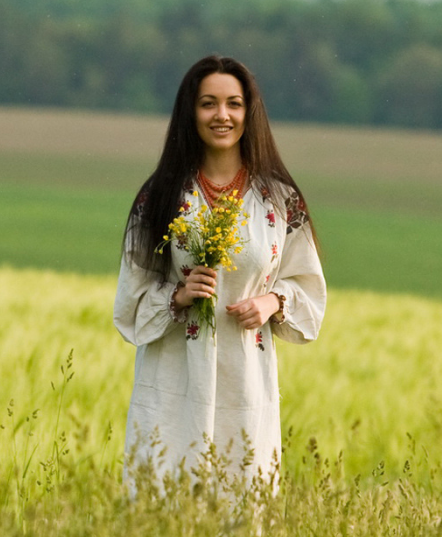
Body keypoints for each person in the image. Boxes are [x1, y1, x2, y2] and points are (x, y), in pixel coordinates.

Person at [113, 54, 326, 499]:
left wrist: (272, 302)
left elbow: (308, 290)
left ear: (250, 112)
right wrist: (178, 294)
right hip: (172, 382)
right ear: (190, 112)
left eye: (233, 103)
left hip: (244, 382)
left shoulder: (279, 200)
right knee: (162, 518)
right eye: (208, 103)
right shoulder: (160, 196)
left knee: (239, 516)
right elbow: (130, 301)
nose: (222, 115)